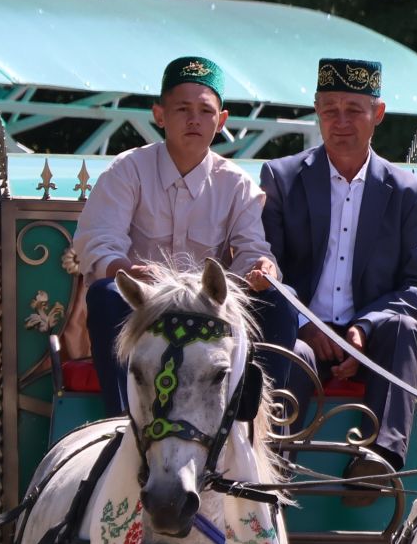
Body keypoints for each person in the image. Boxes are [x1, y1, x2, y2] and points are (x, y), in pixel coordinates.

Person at [261, 58, 417, 496]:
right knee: (293, 351)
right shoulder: (281, 178)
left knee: (404, 330)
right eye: (330, 109)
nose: (341, 122)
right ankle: (270, 472)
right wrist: (305, 323)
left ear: (377, 114)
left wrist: (363, 328)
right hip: (301, 329)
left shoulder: (410, 193)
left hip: (372, 334)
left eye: (354, 110)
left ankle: (378, 463)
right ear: (316, 112)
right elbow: (264, 266)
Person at [71, 56, 281, 417]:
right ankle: (120, 421)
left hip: (208, 313)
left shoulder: (236, 185)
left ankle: (258, 428)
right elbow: (96, 241)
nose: (194, 120)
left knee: (279, 302)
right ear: (160, 115)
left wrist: (261, 269)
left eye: (205, 111)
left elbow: (251, 249)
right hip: (143, 306)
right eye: (182, 109)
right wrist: (126, 269)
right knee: (106, 294)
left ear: (222, 121)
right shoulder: (127, 170)